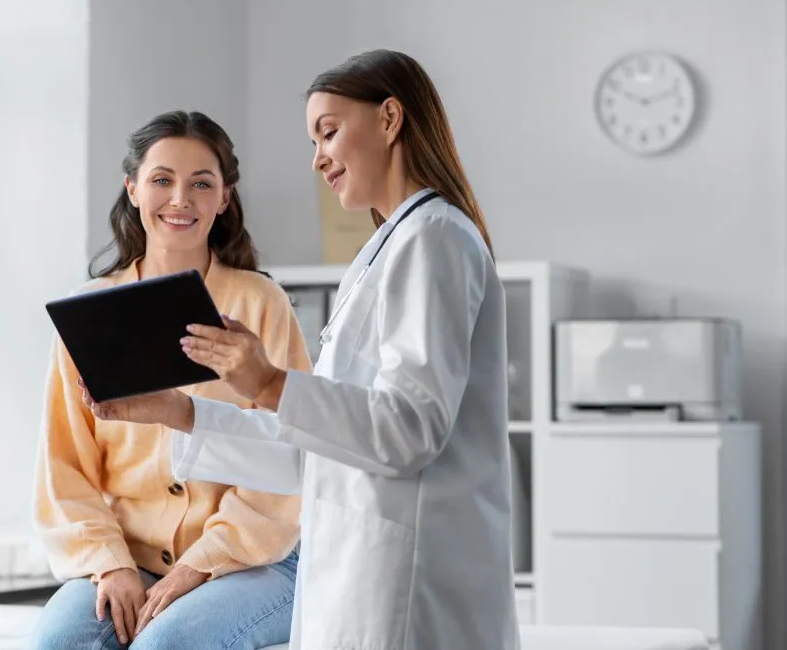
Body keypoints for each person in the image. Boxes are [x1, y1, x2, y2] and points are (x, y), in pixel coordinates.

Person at [80, 50, 520, 650]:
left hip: (410, 583)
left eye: (329, 132)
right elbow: (315, 453)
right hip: (359, 570)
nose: (317, 159)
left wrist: (268, 383)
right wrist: (178, 412)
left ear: (390, 119)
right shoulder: (384, 252)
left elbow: (411, 431)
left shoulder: (435, 239)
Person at [31, 110, 311, 650]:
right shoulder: (87, 315)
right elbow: (63, 468)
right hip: (126, 555)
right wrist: (112, 565)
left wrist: (198, 567)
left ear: (224, 198)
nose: (180, 199)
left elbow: (287, 463)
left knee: (166, 645)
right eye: (162, 180)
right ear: (132, 188)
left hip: (256, 558)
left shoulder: (260, 304)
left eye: (201, 183)